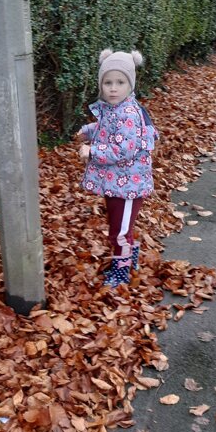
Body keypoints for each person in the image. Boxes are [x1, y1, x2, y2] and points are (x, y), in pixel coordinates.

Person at [77, 48, 158, 288]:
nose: (113, 88)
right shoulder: (114, 109)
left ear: (130, 84)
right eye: (108, 82)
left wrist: (92, 150)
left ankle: (121, 274)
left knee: (119, 232)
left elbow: (123, 149)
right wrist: (88, 131)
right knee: (120, 227)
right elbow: (107, 128)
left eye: (120, 82)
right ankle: (129, 258)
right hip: (118, 183)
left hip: (129, 185)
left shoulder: (129, 113)